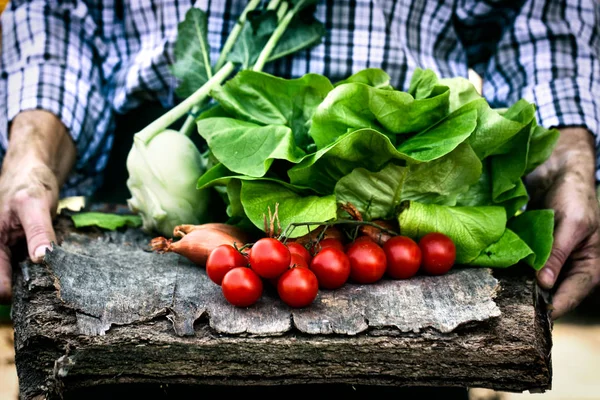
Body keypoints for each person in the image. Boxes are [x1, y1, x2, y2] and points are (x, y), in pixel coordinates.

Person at [0, 0, 599, 321]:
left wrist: (569, 161)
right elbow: (56, 14)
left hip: (415, 229)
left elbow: (543, 20)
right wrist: (30, 152)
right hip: (156, 209)